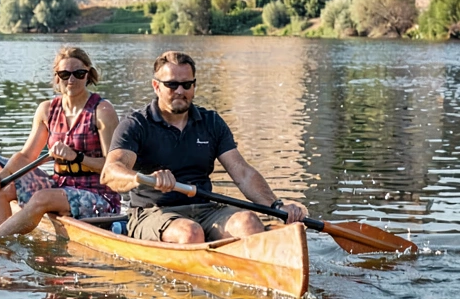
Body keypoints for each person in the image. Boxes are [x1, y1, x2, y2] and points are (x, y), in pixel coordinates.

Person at [100, 50, 307, 244]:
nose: (180, 91)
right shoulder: (136, 124)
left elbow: (242, 173)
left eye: (187, 84)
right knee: (190, 233)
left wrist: (276, 205)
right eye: (172, 85)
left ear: (194, 86)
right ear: (156, 86)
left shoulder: (212, 122)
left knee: (249, 222)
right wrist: (142, 178)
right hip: (153, 211)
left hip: (205, 209)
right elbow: (109, 173)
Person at [0, 46, 121, 237]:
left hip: (99, 195)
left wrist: (77, 157)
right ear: (57, 77)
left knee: (42, 198)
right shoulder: (47, 110)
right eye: (64, 74)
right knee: (0, 191)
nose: (71, 80)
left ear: (88, 75)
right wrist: (2, 176)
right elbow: (26, 156)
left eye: (78, 74)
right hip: (59, 186)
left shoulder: (103, 111)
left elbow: (112, 167)